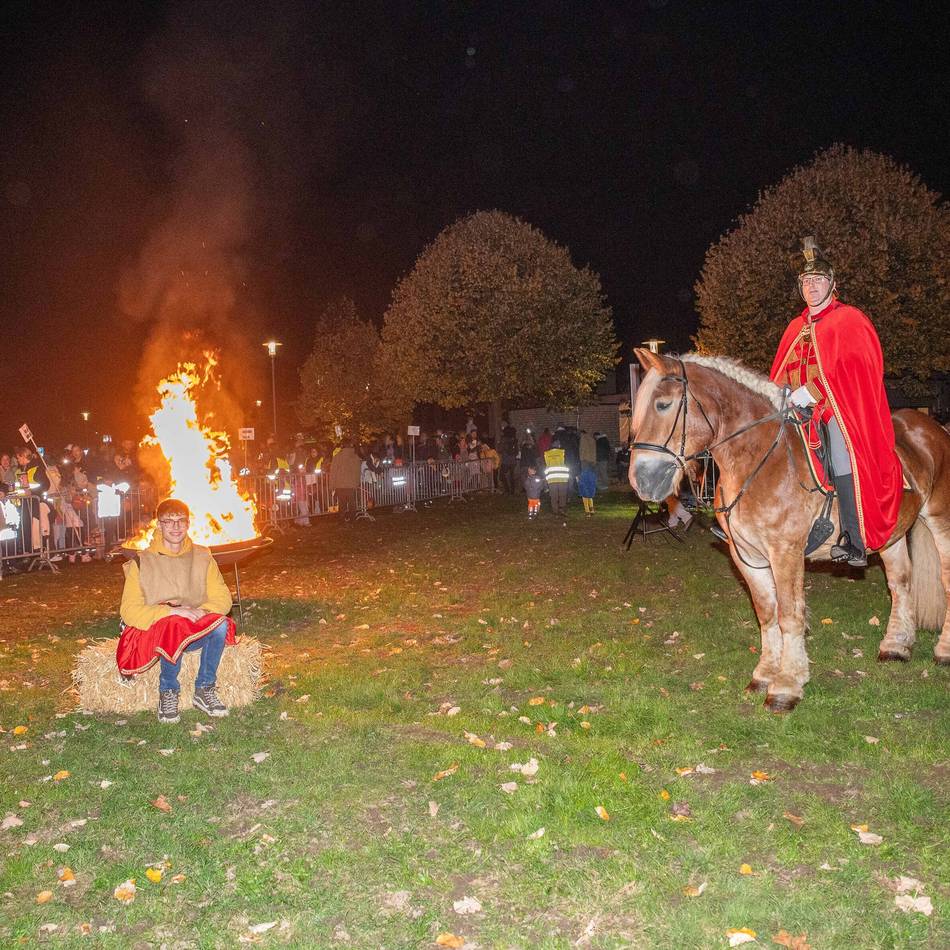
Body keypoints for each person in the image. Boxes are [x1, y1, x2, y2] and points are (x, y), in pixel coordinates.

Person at [770, 237, 902, 567]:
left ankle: (853, 538)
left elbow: (857, 370)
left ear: (832, 285)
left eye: (818, 280)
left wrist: (812, 393)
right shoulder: (794, 328)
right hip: (795, 408)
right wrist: (781, 394)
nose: (811, 286)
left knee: (842, 449)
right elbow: (782, 372)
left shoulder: (849, 320)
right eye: (806, 281)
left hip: (835, 408)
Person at [117, 499, 235, 724]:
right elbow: (129, 610)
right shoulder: (142, 562)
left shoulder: (202, 556)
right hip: (157, 633)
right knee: (174, 626)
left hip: (194, 627)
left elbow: (223, 598)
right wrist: (171, 613)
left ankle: (204, 687)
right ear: (158, 526)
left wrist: (201, 611)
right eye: (168, 521)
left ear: (188, 523)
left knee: (220, 624)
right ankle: (168, 690)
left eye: (181, 521)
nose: (175, 526)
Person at [329, 441, 362, 519]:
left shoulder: (337, 457)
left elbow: (333, 472)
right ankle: (352, 518)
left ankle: (341, 517)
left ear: (342, 446)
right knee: (352, 502)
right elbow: (358, 471)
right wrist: (357, 483)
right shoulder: (355, 457)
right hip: (351, 484)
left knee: (342, 502)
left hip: (340, 484)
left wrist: (332, 485)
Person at [543, 438, 570, 516]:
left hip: (551, 478)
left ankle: (555, 510)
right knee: (562, 494)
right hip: (563, 477)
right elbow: (567, 463)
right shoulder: (563, 452)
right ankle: (562, 509)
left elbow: (546, 464)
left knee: (553, 495)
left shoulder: (546, 453)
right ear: (559, 445)